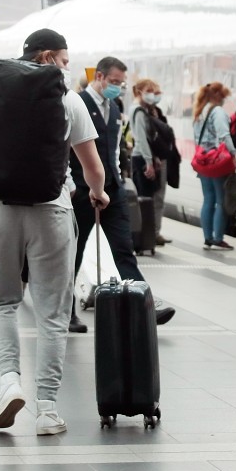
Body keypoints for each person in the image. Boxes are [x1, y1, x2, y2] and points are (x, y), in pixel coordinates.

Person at [0, 28, 109, 436]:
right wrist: (98, 194)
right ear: (47, 56)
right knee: (52, 313)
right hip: (52, 210)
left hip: (0, 211)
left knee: (1, 303)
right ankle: (46, 409)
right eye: (63, 60)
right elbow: (93, 168)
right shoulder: (69, 99)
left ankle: (10, 382)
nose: (66, 68)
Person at [77, 57, 176, 327]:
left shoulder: (115, 105)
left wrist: (119, 179)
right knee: (73, 251)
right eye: (114, 82)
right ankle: (64, 311)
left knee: (124, 249)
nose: (118, 88)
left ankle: (145, 305)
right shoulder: (78, 104)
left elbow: (115, 148)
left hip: (113, 189)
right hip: (82, 190)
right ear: (99, 77)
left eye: (121, 83)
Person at [192, 81, 236, 250]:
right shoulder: (217, 112)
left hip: (203, 161)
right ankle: (218, 237)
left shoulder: (199, 111)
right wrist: (232, 154)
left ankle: (208, 237)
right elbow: (224, 135)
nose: (224, 100)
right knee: (221, 200)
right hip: (216, 162)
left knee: (208, 199)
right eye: (223, 96)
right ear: (217, 96)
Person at [130, 77, 172, 247]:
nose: (153, 96)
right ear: (139, 92)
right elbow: (141, 139)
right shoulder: (138, 111)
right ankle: (146, 236)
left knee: (150, 198)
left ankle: (150, 234)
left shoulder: (145, 110)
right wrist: (148, 161)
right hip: (142, 158)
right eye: (149, 92)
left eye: (155, 92)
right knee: (147, 199)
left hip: (146, 157)